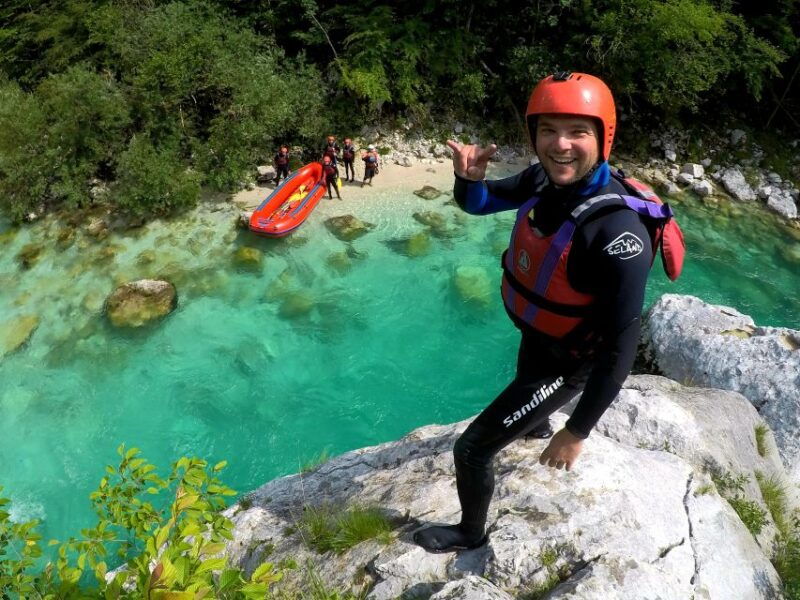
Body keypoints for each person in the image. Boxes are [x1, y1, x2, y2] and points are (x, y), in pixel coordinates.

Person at [412, 72, 683, 554]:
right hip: (539, 338)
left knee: (471, 450)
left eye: (578, 132)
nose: (560, 145)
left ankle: (470, 533)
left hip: (571, 363)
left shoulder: (618, 235)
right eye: (547, 130)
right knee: (526, 388)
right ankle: (534, 422)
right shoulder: (542, 178)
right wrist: (467, 180)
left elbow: (621, 346)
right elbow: (481, 203)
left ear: (604, 137)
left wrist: (577, 431)